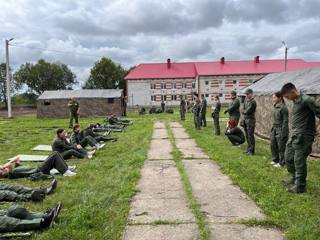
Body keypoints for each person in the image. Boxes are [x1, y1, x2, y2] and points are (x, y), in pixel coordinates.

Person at [281, 82, 320, 193]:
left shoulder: (307, 100)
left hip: (303, 136)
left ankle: (300, 186)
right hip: (294, 135)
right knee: (288, 157)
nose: (287, 99)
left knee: (299, 160)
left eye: (287, 96)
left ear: (293, 92)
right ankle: (294, 178)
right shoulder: (296, 100)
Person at [0, 152, 76, 179]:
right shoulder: (11, 175)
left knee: (55, 153)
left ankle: (65, 168)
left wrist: (2, 166)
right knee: (55, 154)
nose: (4, 170)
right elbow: (9, 164)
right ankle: (66, 172)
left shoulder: (16, 168)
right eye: (2, 171)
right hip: (39, 171)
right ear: (3, 175)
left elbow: (17, 158)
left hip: (39, 168)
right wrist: (3, 166)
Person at [270, 91, 289, 168]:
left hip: (281, 128)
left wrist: (284, 132)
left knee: (281, 146)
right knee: (273, 144)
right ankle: (275, 160)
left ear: (280, 98)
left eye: (274, 97)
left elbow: (285, 121)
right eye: (273, 97)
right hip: (274, 128)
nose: (273, 99)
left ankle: (282, 162)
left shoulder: (283, 107)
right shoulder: (275, 106)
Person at [241, 88, 257, 155]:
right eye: (246, 94)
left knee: (250, 135)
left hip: (250, 120)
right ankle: (248, 148)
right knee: (247, 135)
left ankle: (252, 150)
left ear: (251, 94)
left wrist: (243, 111)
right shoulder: (246, 100)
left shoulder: (253, 102)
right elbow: (242, 109)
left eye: (248, 94)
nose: (247, 95)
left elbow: (247, 111)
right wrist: (243, 111)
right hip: (245, 119)